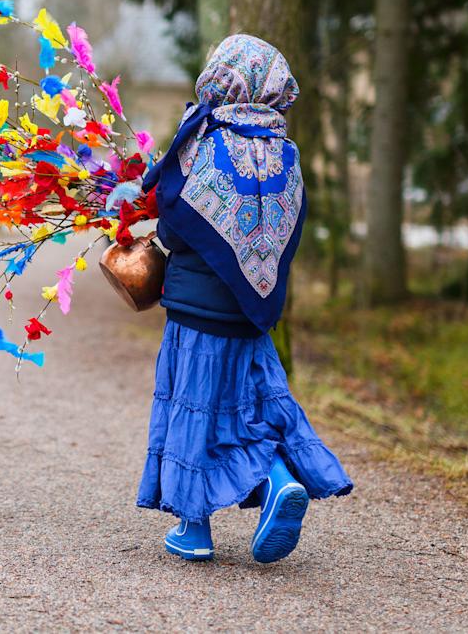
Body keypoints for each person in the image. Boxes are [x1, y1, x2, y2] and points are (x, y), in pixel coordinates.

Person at [136, 33, 352, 563]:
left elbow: (173, 213)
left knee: (195, 406)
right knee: (251, 408)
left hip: (195, 308)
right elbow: (292, 225)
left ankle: (195, 528)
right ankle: (278, 480)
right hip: (251, 314)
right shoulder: (287, 152)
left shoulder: (202, 136)